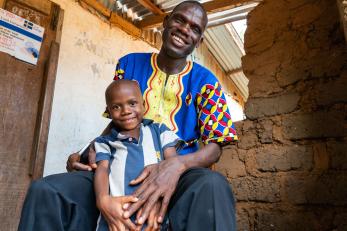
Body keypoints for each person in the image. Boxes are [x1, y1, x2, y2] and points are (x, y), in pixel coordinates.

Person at [18, 1, 238, 231]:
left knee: (213, 184)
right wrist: (85, 154)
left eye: (194, 28)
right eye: (180, 20)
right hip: (119, 165)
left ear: (200, 40)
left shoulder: (207, 82)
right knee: (46, 191)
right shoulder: (129, 64)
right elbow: (116, 122)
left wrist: (176, 165)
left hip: (178, 175)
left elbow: (215, 147)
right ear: (166, 22)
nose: (185, 29)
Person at [94, 80, 182, 231]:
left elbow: (172, 165)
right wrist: (103, 199)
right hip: (116, 220)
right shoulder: (105, 142)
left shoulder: (159, 131)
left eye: (132, 103)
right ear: (108, 111)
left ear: (143, 105)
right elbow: (101, 169)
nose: (126, 110)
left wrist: (160, 199)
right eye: (116, 106)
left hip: (155, 219)